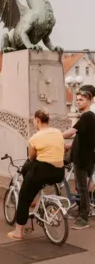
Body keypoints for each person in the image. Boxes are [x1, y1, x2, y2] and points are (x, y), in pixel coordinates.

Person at [8, 108, 65, 240]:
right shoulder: (58, 132)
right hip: (59, 172)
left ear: (37, 120)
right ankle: (36, 195)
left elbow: (32, 157)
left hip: (42, 171)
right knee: (30, 172)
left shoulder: (35, 138)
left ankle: (18, 232)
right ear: (48, 121)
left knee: (23, 198)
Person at [63, 90, 95, 229]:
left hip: (83, 159)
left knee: (82, 188)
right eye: (77, 100)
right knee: (80, 187)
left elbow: (71, 132)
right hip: (78, 156)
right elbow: (81, 136)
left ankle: (84, 218)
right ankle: (80, 211)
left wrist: (54, 136)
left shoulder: (87, 116)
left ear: (89, 101)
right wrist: (71, 145)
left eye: (81, 100)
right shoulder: (86, 117)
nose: (77, 102)